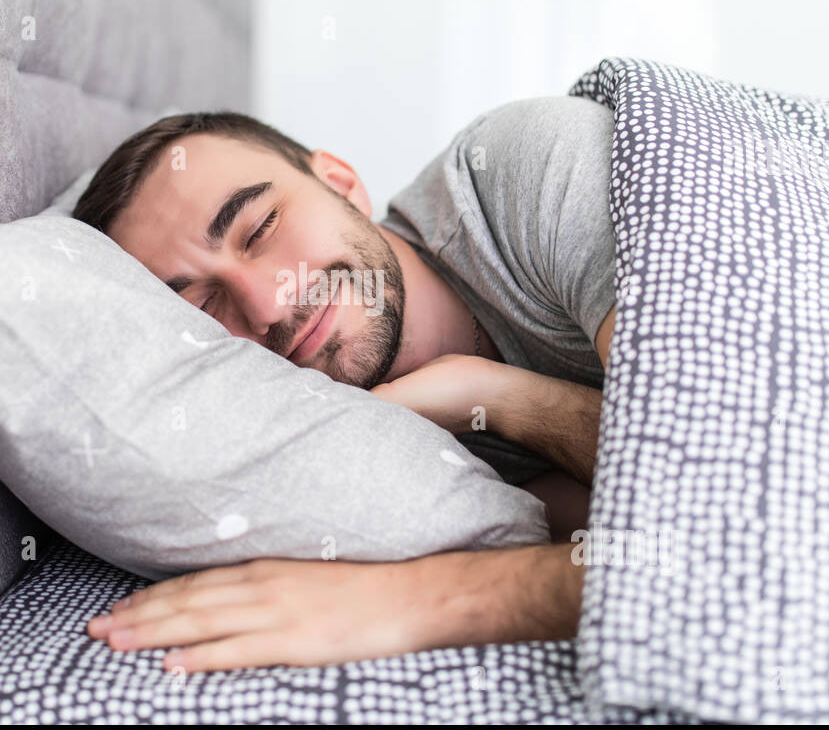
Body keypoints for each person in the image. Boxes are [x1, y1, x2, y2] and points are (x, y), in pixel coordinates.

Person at [74, 96, 618, 674]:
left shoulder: (529, 173)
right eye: (207, 307)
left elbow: (719, 497)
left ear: (340, 182)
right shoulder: (373, 469)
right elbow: (672, 545)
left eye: (260, 228)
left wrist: (504, 401)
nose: (268, 303)